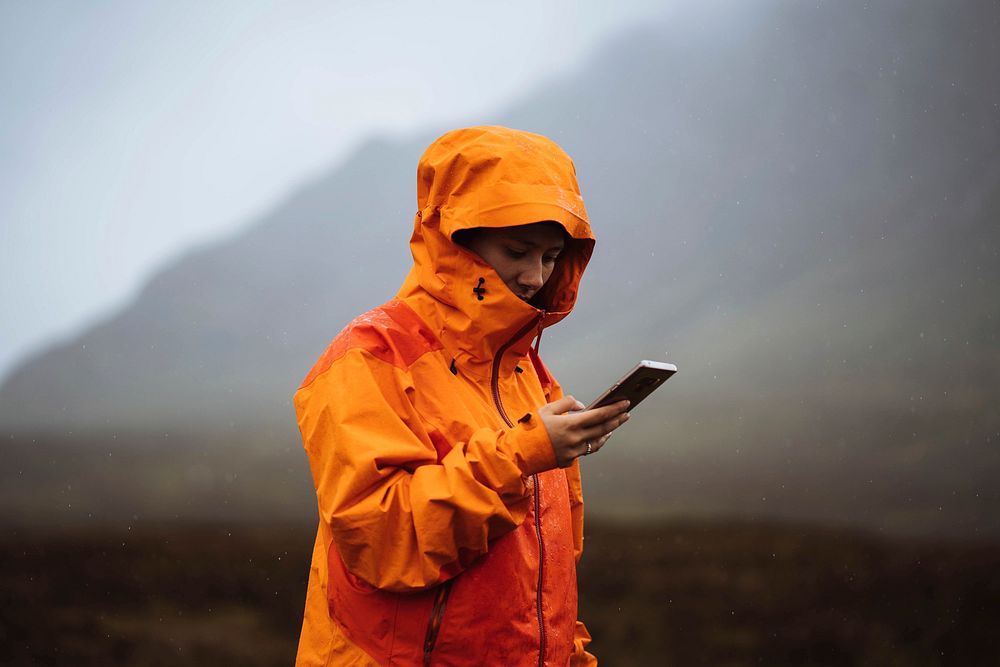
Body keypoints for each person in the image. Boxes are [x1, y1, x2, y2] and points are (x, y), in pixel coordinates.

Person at [293, 125, 630, 666]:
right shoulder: (371, 354)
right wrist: (521, 455)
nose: (534, 276)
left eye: (550, 256)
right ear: (456, 238)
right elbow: (384, 540)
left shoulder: (530, 374)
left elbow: (549, 569)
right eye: (517, 250)